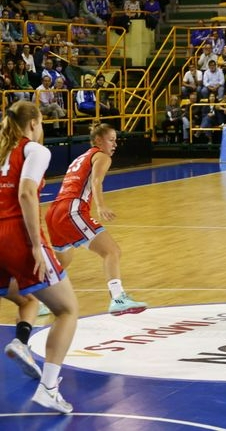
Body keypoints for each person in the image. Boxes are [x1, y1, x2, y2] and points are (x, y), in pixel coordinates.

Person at [0, 101, 79, 413]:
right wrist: (35, 245)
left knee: (27, 299)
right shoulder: (35, 150)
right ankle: (48, 388)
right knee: (67, 310)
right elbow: (26, 193)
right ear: (33, 123)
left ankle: (21, 341)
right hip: (15, 234)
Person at [45, 122, 147, 316]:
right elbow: (96, 181)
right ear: (98, 140)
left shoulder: (81, 157)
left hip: (54, 211)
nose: (115, 144)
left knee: (62, 261)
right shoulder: (102, 156)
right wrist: (100, 205)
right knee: (112, 251)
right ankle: (118, 298)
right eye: (111, 140)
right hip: (72, 210)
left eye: (115, 140)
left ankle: (41, 300)